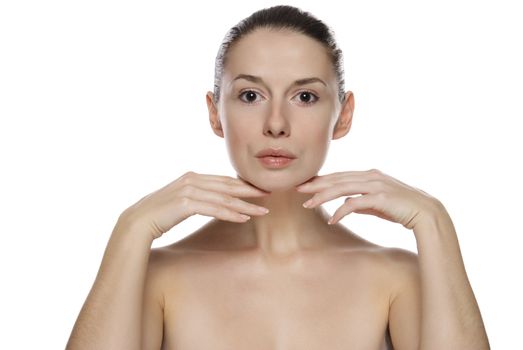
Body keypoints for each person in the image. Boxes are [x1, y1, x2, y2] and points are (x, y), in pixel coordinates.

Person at [66, 5, 490, 349]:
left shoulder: (397, 278)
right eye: (251, 95)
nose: (276, 124)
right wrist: (131, 228)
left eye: (305, 96)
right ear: (215, 114)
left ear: (343, 116)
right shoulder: (157, 278)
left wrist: (435, 222)